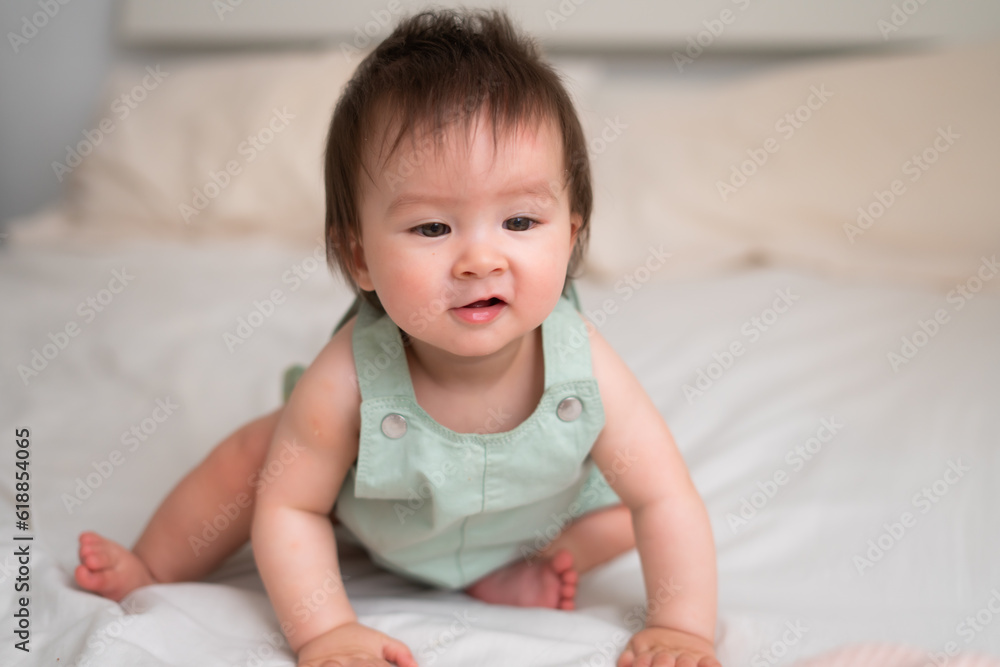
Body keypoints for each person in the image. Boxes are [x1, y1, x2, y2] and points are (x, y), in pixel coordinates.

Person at [74, 9, 720, 667]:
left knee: (623, 514)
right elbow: (292, 511)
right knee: (258, 460)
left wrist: (681, 627)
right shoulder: (349, 377)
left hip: (527, 523)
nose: (480, 260)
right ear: (359, 258)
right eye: (433, 229)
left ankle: (527, 569)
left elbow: (664, 495)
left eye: (520, 220)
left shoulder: (583, 363)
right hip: (379, 523)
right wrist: (325, 630)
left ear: (573, 232)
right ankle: (151, 565)